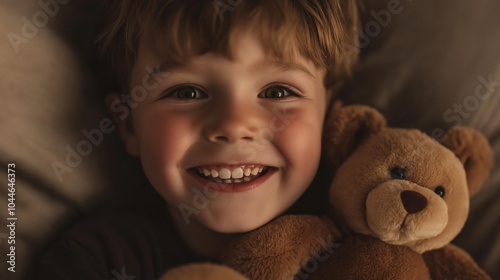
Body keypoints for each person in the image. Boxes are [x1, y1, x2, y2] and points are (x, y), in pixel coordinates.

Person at [34, 0, 360, 278]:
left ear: (329, 120)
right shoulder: (92, 261)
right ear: (129, 124)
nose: (234, 125)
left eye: (278, 92)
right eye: (187, 92)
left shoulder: (362, 248)